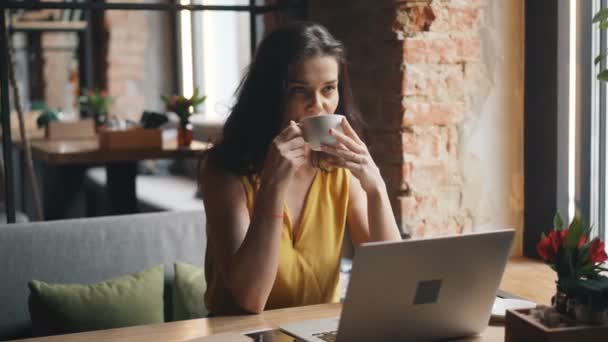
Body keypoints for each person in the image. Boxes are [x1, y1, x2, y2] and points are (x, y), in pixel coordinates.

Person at [199, 21, 401, 316]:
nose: (318, 106)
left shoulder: (338, 169)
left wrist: (376, 188)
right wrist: (273, 186)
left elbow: (391, 277)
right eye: (299, 91)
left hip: (317, 332)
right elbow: (250, 299)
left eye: (328, 89)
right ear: (271, 94)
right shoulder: (224, 170)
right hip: (244, 333)